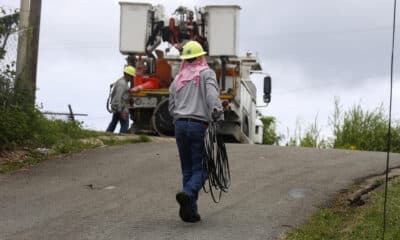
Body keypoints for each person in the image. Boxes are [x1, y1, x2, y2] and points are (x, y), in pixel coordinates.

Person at [169, 41, 224, 223]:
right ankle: (188, 192)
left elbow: (171, 106)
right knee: (203, 168)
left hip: (180, 126)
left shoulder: (177, 79)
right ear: (201, 56)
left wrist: (179, 119)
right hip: (198, 126)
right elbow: (211, 96)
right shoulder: (207, 74)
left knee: (187, 169)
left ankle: (190, 212)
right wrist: (216, 114)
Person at [106, 65, 135, 133]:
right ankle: (122, 139)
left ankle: (106, 135)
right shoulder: (122, 84)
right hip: (121, 108)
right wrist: (121, 112)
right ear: (127, 75)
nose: (132, 78)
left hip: (119, 107)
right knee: (125, 125)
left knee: (113, 123)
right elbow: (117, 98)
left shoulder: (123, 82)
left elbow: (122, 96)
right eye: (131, 76)